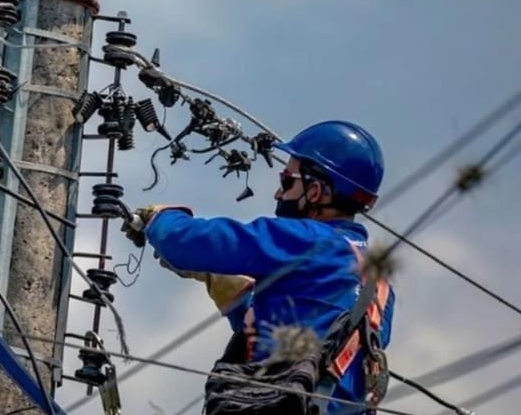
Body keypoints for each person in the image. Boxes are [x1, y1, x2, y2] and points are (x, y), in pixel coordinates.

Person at [123, 120, 396, 414]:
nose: (279, 195)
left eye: (287, 182)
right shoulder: (379, 288)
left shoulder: (305, 239)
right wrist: (232, 292)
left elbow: (185, 243)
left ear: (316, 191)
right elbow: (305, 337)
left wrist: (160, 218)